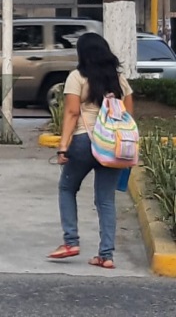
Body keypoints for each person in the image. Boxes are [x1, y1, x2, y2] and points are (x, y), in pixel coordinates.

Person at [48, 32, 133, 269]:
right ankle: (106, 255)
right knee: (105, 200)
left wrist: (63, 147)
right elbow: (129, 115)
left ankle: (70, 242)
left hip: (85, 140)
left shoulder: (77, 77)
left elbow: (72, 113)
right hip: (113, 144)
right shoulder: (119, 80)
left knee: (67, 187)